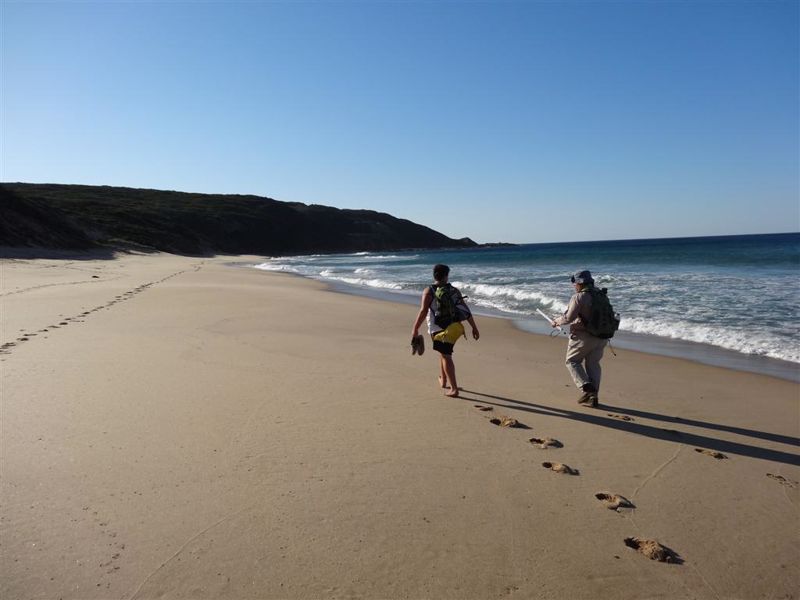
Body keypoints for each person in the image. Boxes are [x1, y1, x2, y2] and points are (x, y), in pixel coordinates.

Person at [411, 264, 480, 397]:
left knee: (446, 355)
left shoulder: (429, 291)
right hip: (455, 328)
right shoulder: (454, 291)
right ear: (446, 275)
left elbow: (423, 311)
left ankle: (454, 389)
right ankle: (444, 380)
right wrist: (474, 327)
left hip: (437, 328)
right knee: (443, 353)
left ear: (434, 275)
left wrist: (415, 328)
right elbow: (465, 310)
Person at [552, 270, 607, 407]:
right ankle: (593, 397)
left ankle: (586, 387)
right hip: (602, 336)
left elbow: (568, 318)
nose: (573, 286)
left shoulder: (579, 297)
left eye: (574, 283)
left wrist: (556, 321)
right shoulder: (601, 295)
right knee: (593, 365)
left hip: (583, 336)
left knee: (572, 361)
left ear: (579, 283)